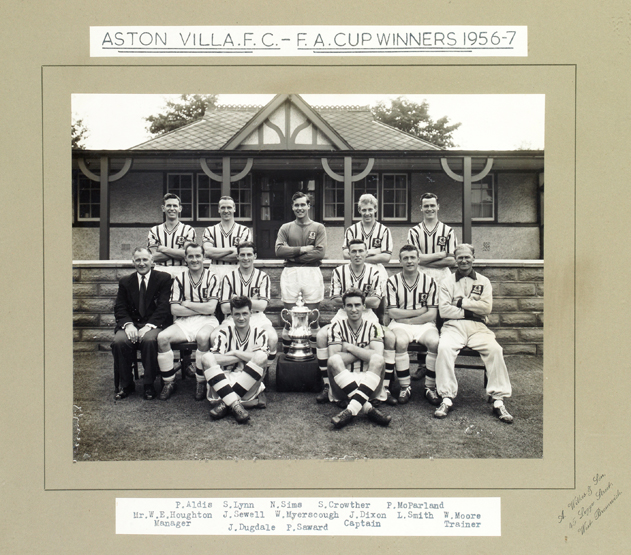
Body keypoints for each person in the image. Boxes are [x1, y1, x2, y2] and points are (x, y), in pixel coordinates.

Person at [434, 244, 514, 423]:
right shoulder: (447, 282)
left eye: (467, 257)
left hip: (478, 327)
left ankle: (498, 400)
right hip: (453, 326)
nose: (463, 260)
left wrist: (461, 302)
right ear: (455, 260)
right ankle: (446, 397)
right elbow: (444, 311)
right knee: (445, 348)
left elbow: (487, 308)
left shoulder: (483, 281)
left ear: (473, 258)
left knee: (495, 349)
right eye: (460, 257)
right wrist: (472, 308)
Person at [315, 239, 397, 406]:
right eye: (354, 251)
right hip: (343, 313)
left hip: (368, 315)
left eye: (361, 251)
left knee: (389, 337)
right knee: (322, 335)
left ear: (366, 253)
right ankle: (327, 385)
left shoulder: (375, 272)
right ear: (348, 254)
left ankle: (385, 388)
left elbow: (375, 303)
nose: (357, 254)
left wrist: (353, 299)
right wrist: (353, 302)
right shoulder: (339, 271)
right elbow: (335, 300)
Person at [156, 243, 220, 400]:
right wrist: (201, 307)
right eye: (190, 256)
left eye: (198, 255)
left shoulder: (213, 277)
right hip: (184, 322)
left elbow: (211, 309)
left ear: (203, 257)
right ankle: (169, 382)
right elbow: (174, 310)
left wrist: (188, 303)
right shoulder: (179, 278)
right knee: (162, 338)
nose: (194, 259)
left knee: (203, 338)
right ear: (185, 258)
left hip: (207, 321)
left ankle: (200, 381)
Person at [111, 248, 172, 400]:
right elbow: (120, 307)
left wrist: (148, 326)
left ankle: (148, 384)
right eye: (138, 260)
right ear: (133, 262)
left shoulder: (163, 278)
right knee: (119, 341)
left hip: (153, 325)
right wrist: (128, 325)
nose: (142, 263)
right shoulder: (125, 282)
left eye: (145, 259)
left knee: (150, 340)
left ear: (152, 261)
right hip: (131, 324)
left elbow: (164, 307)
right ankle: (126, 385)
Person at [213, 241, 278, 383]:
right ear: (237, 257)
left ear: (255, 256)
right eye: (242, 254)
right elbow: (224, 308)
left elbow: (262, 306)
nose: (246, 258)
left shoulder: (263, 277)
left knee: (272, 338)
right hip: (233, 318)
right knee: (215, 336)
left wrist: (236, 300)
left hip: (257, 317)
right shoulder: (228, 278)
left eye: (249, 254)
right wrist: (251, 301)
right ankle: (226, 373)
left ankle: (262, 374)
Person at [327, 289, 392, 429]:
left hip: (370, 382)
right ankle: (369, 409)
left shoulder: (374, 326)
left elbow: (377, 357)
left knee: (378, 360)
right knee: (333, 361)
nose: (354, 309)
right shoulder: (336, 326)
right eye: (349, 305)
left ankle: (350, 410)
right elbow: (334, 358)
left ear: (364, 306)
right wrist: (365, 351)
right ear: (343, 307)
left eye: (357, 305)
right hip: (342, 384)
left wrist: (350, 348)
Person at [200, 296, 269, 424]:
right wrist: (246, 356)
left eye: (244, 314)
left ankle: (226, 404)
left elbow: (261, 359)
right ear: (231, 315)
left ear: (251, 314)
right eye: (237, 314)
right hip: (223, 381)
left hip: (248, 384)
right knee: (206, 357)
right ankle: (236, 405)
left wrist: (235, 352)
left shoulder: (260, 333)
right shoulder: (224, 333)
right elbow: (214, 358)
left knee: (261, 356)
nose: (241, 318)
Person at [386, 244, 441, 405]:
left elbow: (432, 314)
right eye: (405, 258)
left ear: (418, 259)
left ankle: (430, 387)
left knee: (435, 343)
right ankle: (405, 387)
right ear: (400, 261)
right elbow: (393, 313)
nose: (409, 261)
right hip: (400, 324)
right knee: (401, 342)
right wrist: (418, 312)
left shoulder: (430, 282)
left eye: (412, 257)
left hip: (424, 325)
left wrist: (409, 319)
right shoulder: (392, 281)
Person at [275, 191, 327, 351]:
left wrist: (292, 255)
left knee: (312, 318)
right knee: (290, 319)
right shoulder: (286, 227)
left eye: (303, 204)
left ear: (309, 206)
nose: (300, 208)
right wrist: (302, 249)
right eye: (296, 205)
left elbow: (320, 253)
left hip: (311, 272)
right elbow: (278, 251)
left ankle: (314, 361)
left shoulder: (318, 227)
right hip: (291, 273)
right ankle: (288, 358)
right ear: (292, 207)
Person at [342, 193, 393, 307]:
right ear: (359, 210)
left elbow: (386, 257)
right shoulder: (351, 230)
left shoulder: (384, 230)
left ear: (375, 209)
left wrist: (359, 255)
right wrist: (375, 251)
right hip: (355, 271)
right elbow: (345, 254)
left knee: (379, 309)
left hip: (377, 271)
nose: (367, 213)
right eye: (364, 210)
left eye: (370, 209)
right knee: (356, 304)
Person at [406, 193, 457, 284]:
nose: (429, 209)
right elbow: (415, 258)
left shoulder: (448, 230)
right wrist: (440, 255)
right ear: (421, 208)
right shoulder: (414, 231)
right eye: (426, 206)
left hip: (443, 276)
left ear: (438, 207)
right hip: (421, 275)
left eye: (432, 205)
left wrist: (423, 261)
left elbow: (452, 261)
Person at [202, 195, 253, 280]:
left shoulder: (244, 230)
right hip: (215, 270)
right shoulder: (210, 230)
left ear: (234, 209)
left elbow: (242, 254)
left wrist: (215, 254)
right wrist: (231, 249)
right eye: (223, 208)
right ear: (219, 209)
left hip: (237, 270)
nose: (226, 211)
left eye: (229, 207)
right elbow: (207, 252)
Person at [147, 193, 197, 271]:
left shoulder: (188, 230)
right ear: (163, 208)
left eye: (175, 206)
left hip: (181, 270)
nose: (172, 208)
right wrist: (178, 252)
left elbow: (187, 254)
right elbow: (153, 256)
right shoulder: (154, 231)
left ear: (180, 208)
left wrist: (162, 249)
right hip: (160, 270)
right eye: (169, 205)